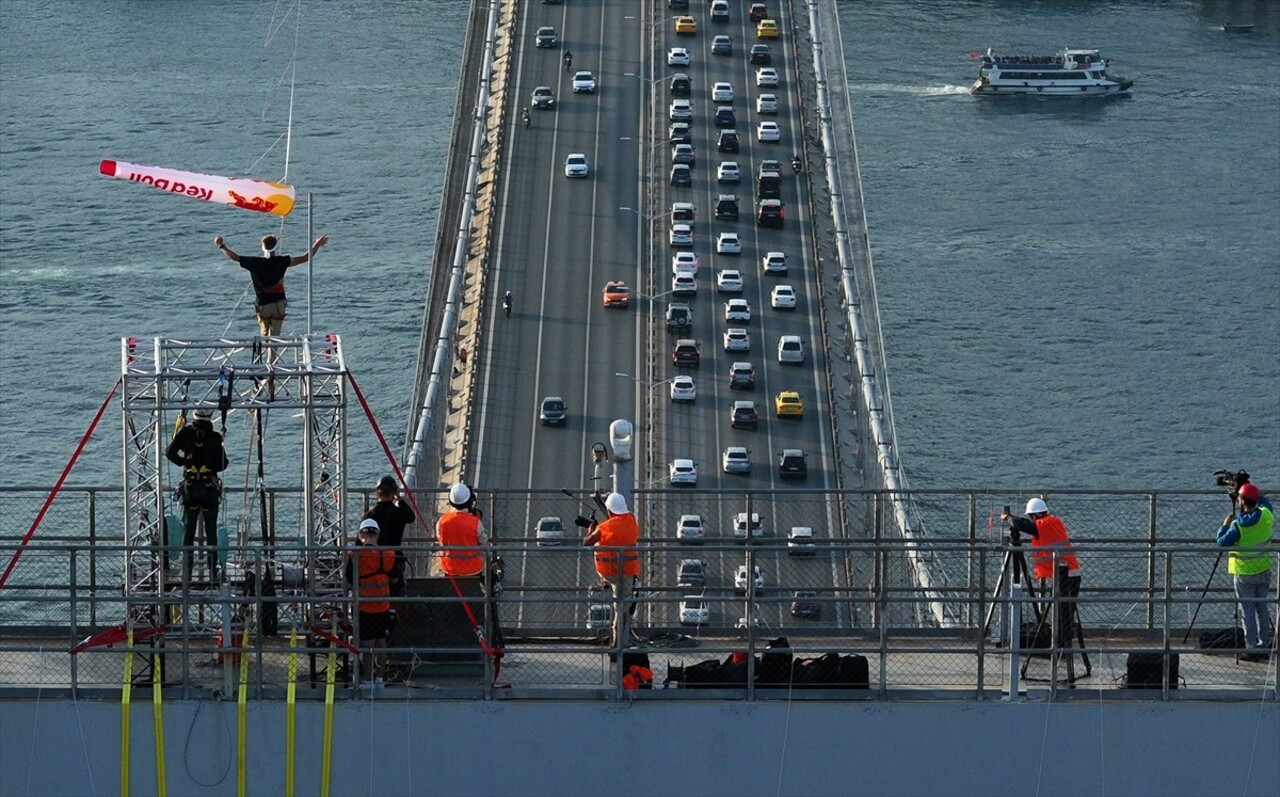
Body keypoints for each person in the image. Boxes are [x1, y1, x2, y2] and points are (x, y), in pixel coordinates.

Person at [1002, 497, 1082, 649]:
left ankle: (1061, 648)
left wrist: (1009, 518)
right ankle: (1060, 646)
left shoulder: (1044, 524)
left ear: (1035, 516)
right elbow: (1030, 526)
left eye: (1031, 517)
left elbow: (1026, 526)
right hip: (1067, 573)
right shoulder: (1053, 522)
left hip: (1067, 575)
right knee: (1063, 612)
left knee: (1063, 614)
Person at [213, 232, 330, 335]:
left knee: (264, 334)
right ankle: (272, 359)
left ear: (262, 247)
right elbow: (305, 257)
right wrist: (317, 245)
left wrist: (221, 246)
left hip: (263, 305)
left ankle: (266, 357)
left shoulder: (254, 262)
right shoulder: (283, 261)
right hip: (278, 304)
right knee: (275, 336)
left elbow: (235, 257)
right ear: (275, 247)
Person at [166, 408, 229, 581]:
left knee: (188, 531)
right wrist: (211, 468)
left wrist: (184, 462)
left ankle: (187, 571)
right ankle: (212, 570)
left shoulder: (185, 433)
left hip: (191, 487)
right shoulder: (215, 437)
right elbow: (223, 463)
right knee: (211, 532)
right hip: (209, 488)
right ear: (210, 417)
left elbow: (169, 453)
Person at [1217, 482, 1274, 662]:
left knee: (1247, 611)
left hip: (1244, 574)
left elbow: (1222, 542)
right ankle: (1263, 645)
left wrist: (1224, 526)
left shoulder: (1238, 525)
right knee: (1262, 608)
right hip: (1264, 569)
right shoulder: (1267, 516)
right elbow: (1265, 503)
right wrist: (1248, 487)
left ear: (1241, 502)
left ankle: (1251, 649)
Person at [582, 492, 641, 649]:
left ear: (609, 511)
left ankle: (606, 582)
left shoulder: (603, 528)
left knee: (598, 545)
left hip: (607, 571)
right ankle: (619, 642)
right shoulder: (632, 521)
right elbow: (618, 527)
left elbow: (587, 542)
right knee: (621, 608)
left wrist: (590, 529)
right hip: (627, 572)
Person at [346, 518, 395, 687]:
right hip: (383, 604)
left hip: (363, 605)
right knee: (381, 642)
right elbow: (395, 577)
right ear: (378, 534)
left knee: (366, 644)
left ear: (361, 535)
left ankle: (367, 679)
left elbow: (349, 579)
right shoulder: (388, 554)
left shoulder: (355, 555)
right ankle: (380, 678)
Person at [364, 475, 416, 600]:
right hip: (395, 559)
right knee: (395, 592)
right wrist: (400, 500)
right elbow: (411, 517)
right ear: (394, 493)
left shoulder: (370, 515)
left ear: (377, 493)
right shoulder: (399, 513)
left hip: (375, 560)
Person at [436, 483, 488, 579]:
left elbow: (441, 541)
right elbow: (483, 543)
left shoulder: (442, 521)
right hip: (473, 568)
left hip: (449, 567)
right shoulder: (475, 522)